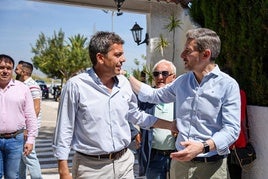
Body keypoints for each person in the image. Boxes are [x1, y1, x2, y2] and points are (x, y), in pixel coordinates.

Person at [52, 31, 174, 179]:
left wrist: (170, 125)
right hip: (91, 168)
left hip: (125, 162)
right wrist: (63, 170)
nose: (123, 59)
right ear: (100, 58)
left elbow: (136, 115)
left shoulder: (123, 83)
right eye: (117, 55)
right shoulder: (76, 86)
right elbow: (64, 128)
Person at [128, 28, 241, 178]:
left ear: (206, 54)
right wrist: (126, 76)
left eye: (188, 51)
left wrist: (202, 147)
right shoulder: (182, 81)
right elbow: (152, 95)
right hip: (180, 167)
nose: (182, 55)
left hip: (212, 168)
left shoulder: (228, 85)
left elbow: (232, 130)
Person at [137, 59, 177, 179]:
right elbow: (128, 112)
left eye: (164, 73)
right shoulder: (146, 99)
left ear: (174, 77)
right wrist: (135, 133)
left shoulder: (181, 98)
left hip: (177, 156)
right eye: (156, 74)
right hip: (154, 157)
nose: (160, 77)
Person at [0, 54, 38, 178]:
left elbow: (30, 115)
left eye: (8, 68)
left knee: (12, 176)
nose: (5, 71)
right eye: (1, 67)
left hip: (15, 140)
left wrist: (31, 139)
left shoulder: (22, 89)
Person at [15, 61, 43, 179]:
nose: (15, 71)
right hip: (22, 128)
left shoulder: (32, 85)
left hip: (27, 128)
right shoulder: (22, 84)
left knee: (30, 157)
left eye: (17, 69)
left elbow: (36, 108)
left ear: (24, 72)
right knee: (22, 158)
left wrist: (28, 128)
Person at [227, 89, 248, 179]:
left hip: (231, 140)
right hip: (238, 137)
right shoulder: (241, 92)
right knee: (235, 171)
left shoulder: (224, 92)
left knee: (233, 170)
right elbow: (242, 116)